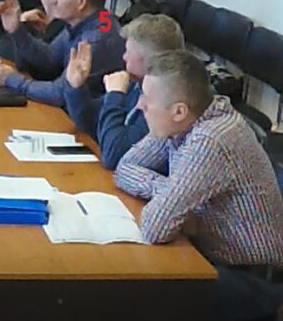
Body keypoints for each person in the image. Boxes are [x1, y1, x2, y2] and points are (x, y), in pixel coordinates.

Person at [115, 50, 283, 321]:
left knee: (136, 294)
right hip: (211, 256)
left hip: (250, 280)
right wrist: (171, 190)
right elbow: (124, 168)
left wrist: (173, 200)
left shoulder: (211, 140)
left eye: (147, 98)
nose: (140, 105)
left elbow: (155, 226)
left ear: (179, 110)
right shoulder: (184, 120)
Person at [0, 0, 125, 106]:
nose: (52, 0)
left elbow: (60, 93)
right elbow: (49, 57)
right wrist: (16, 30)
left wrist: (12, 80)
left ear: (81, 2)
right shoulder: (83, 20)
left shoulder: (96, 40)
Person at [63, 14, 185, 169]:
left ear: (148, 61)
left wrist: (115, 96)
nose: (124, 57)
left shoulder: (161, 104)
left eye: (128, 51)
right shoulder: (135, 85)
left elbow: (114, 157)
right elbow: (90, 122)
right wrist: (77, 87)